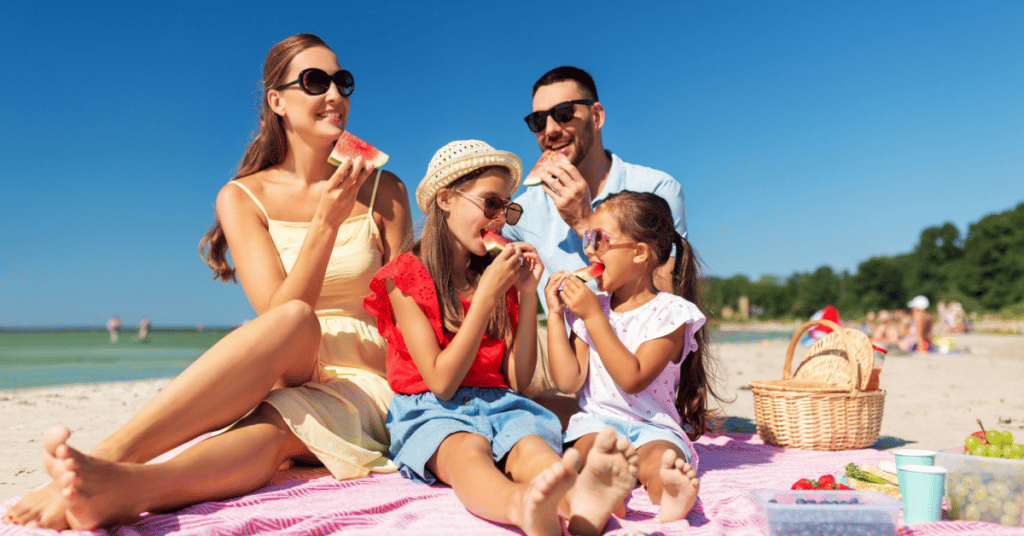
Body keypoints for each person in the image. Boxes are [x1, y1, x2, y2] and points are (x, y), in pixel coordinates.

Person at [2, 33, 412, 530]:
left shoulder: (385, 190)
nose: (335, 95)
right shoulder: (241, 198)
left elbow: (409, 304)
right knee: (296, 317)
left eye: (342, 82)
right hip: (287, 353)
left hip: (367, 373)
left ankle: (128, 488)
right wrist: (325, 225)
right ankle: (110, 454)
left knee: (277, 429)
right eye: (314, 81)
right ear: (277, 101)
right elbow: (279, 314)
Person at [363, 140, 639, 536]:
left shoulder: (498, 275)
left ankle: (584, 508)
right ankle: (521, 506)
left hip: (500, 401)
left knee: (532, 448)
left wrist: (528, 295)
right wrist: (487, 296)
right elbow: (441, 382)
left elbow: (519, 379)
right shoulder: (404, 276)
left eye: (507, 208)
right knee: (465, 452)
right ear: (446, 199)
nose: (499, 221)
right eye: (490, 204)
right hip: (431, 409)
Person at [503, 66, 687, 397]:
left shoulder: (656, 189)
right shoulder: (523, 212)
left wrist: (586, 223)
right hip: (566, 367)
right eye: (537, 121)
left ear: (597, 116)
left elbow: (665, 295)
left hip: (641, 376)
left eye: (563, 114)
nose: (550, 129)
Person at [544, 191, 723, 525]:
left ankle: (669, 493)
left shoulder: (671, 314)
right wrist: (556, 316)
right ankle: (604, 503)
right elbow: (568, 381)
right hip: (597, 423)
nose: (588, 249)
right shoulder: (590, 310)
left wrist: (593, 318)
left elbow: (633, 376)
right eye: (586, 238)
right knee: (583, 457)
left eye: (599, 239)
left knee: (661, 461)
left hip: (653, 425)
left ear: (639, 252)